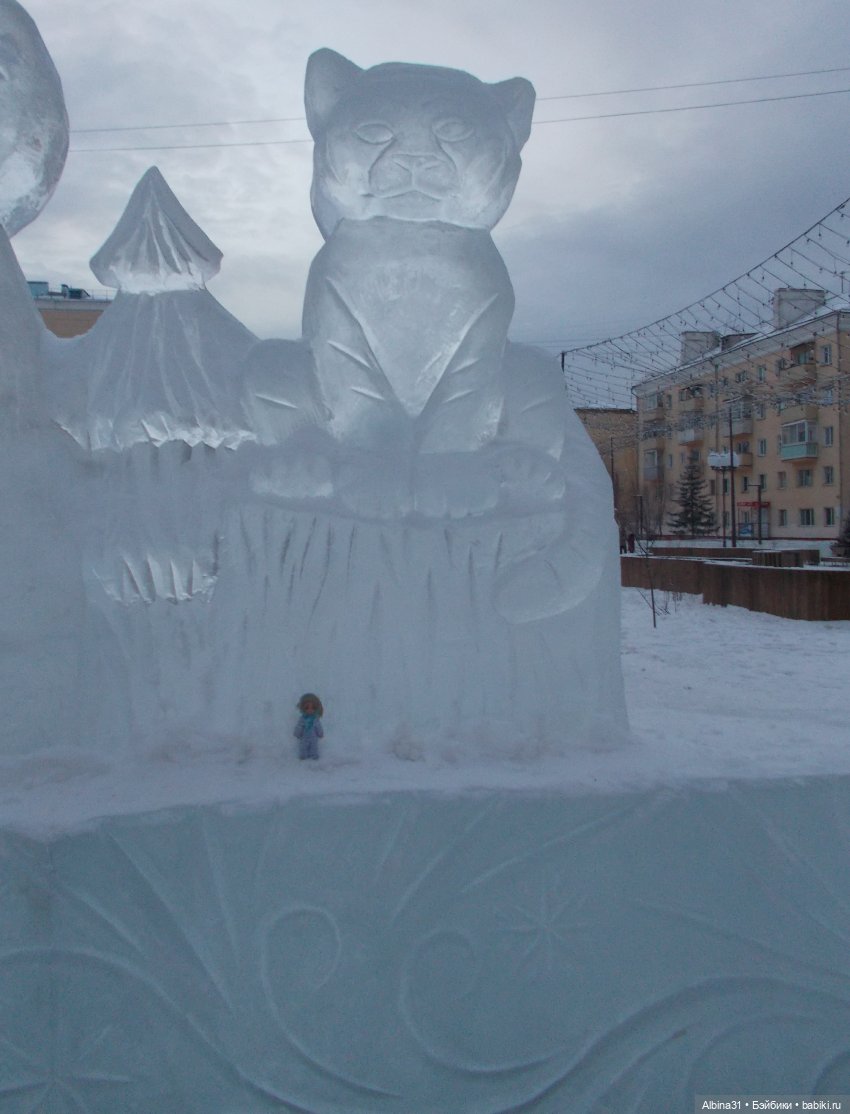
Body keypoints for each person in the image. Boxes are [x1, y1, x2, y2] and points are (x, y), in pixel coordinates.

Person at [294, 692, 324, 760]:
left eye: (313, 707)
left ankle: (314, 756)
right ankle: (303, 756)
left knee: (314, 746)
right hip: (304, 737)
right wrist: (297, 733)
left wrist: (320, 733)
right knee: (303, 746)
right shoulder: (302, 719)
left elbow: (318, 726)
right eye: (307, 708)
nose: (310, 710)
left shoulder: (315, 719)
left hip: (313, 737)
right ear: (303, 708)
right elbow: (299, 726)